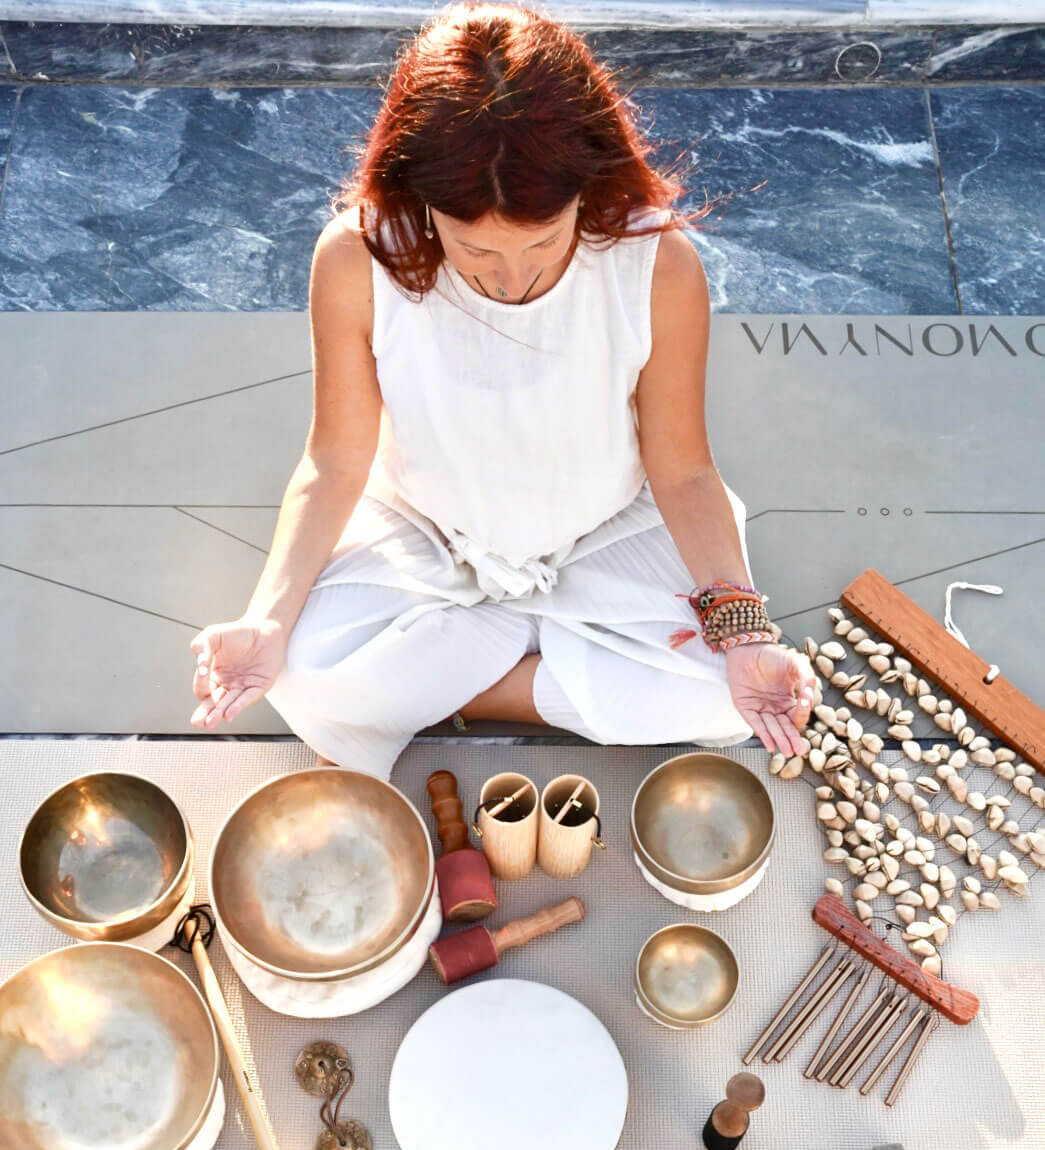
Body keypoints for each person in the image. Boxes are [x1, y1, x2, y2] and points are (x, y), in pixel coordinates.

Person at [189, 0, 816, 779]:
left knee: (726, 697)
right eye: (474, 249)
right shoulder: (356, 256)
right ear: (419, 201)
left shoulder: (657, 260)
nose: (511, 279)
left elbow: (683, 468)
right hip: (427, 532)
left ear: (589, 187)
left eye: (544, 241)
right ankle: (539, 669)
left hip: (608, 529)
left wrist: (745, 636)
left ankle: (459, 684)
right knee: (297, 673)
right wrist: (265, 620)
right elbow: (336, 458)